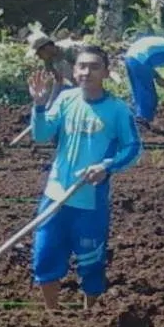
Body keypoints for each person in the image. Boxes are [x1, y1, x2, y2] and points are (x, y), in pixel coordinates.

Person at [27, 46, 142, 310]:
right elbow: (42, 135)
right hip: (55, 196)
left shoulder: (117, 110)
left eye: (94, 67)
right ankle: (51, 313)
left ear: (106, 72)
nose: (86, 72)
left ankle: (91, 316)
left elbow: (133, 148)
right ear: (75, 70)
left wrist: (106, 167)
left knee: (91, 263)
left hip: (90, 201)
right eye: (81, 66)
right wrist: (40, 106)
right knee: (45, 257)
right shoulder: (66, 99)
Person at [28, 31, 78, 103]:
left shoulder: (70, 51)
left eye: (39, 53)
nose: (39, 57)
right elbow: (57, 81)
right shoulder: (48, 60)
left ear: (46, 48)